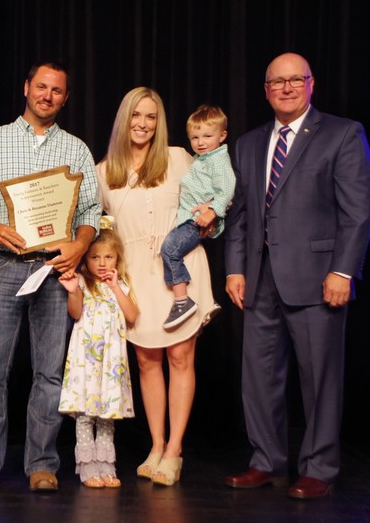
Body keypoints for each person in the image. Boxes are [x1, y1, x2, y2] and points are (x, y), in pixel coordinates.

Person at [224, 53, 370, 499]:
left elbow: (357, 212)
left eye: (296, 80)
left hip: (318, 276)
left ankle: (319, 468)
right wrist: (235, 268)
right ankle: (266, 461)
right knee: (258, 377)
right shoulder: (249, 144)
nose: (287, 88)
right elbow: (241, 216)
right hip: (260, 278)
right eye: (277, 82)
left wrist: (342, 270)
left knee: (320, 378)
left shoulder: (342, 133)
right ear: (266, 90)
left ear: (312, 84)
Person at [0, 62, 101, 492]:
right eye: (41, 86)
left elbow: (91, 211)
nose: (48, 96)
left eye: (57, 90)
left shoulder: (76, 149)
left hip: (54, 271)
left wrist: (78, 246)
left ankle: (42, 463)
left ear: (65, 97)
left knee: (49, 373)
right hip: (3, 265)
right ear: (26, 88)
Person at [97, 87, 220, 486]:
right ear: (124, 119)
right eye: (136, 115)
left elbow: (214, 204)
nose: (143, 124)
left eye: (151, 116)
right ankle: (156, 443)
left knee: (181, 357)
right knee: (147, 362)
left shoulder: (180, 158)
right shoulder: (103, 172)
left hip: (179, 270)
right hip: (136, 276)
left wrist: (211, 218)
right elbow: (95, 230)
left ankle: (174, 450)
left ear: (159, 121)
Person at [58, 219, 138, 488]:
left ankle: (107, 465)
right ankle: (87, 467)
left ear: (117, 258)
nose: (102, 263)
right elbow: (76, 313)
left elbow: (132, 316)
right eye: (95, 257)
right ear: (85, 259)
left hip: (111, 362)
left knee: (106, 416)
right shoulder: (81, 282)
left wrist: (116, 287)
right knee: (85, 415)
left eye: (108, 257)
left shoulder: (121, 284)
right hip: (86, 360)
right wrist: (72, 292)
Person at [161, 104, 235, 329]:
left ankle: (183, 301)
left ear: (222, 136)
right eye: (195, 137)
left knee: (170, 249)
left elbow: (228, 188)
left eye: (207, 136)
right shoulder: (201, 159)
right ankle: (194, 300)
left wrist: (212, 211)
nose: (200, 142)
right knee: (170, 249)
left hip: (196, 221)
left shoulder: (218, 160)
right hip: (190, 218)